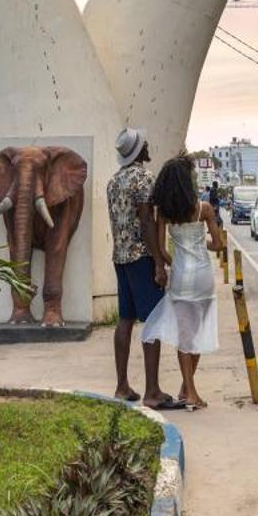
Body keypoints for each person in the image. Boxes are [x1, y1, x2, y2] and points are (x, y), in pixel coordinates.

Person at [142, 156, 226, 410]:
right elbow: (219, 244)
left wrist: (172, 263)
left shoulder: (165, 214)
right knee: (197, 334)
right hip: (202, 277)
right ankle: (190, 392)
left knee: (183, 336)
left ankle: (186, 388)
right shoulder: (204, 209)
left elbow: (161, 249)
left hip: (180, 276)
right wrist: (204, 245)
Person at [107, 128, 179, 410]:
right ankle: (152, 391)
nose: (148, 145)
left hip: (120, 257)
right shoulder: (144, 178)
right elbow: (147, 222)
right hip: (141, 257)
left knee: (125, 319)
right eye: (144, 143)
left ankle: (122, 385)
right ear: (139, 151)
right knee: (154, 321)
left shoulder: (114, 181)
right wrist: (158, 262)